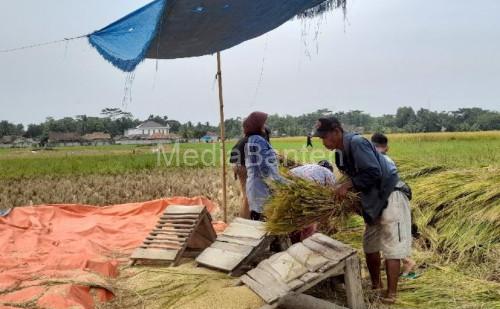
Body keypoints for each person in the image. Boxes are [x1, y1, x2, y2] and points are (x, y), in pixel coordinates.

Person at [314, 117, 412, 303]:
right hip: (372, 199)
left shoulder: (357, 142)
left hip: (390, 194)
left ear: (336, 131)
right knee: (370, 244)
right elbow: (351, 179)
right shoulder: (339, 154)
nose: (323, 141)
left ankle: (391, 294)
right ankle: (376, 286)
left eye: (324, 136)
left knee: (392, 245)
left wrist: (347, 186)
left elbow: (373, 172)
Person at [371, 133, 416, 279]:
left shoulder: (380, 160)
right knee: (388, 235)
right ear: (387, 148)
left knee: (392, 236)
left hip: (391, 199)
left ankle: (407, 263)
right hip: (384, 200)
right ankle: (397, 262)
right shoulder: (386, 159)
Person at [244, 112, 283, 221]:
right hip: (261, 186)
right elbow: (264, 168)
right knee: (263, 220)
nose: (264, 125)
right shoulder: (258, 140)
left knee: (257, 217)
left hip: (256, 186)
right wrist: (278, 183)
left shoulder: (252, 140)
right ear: (256, 125)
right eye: (262, 123)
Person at [288, 160, 336, 243]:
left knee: (294, 218)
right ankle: (305, 244)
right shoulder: (327, 172)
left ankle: (294, 241)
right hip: (302, 192)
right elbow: (333, 194)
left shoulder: (307, 167)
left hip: (285, 188)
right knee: (310, 220)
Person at [230, 127, 271, 219]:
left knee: (245, 194)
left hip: (237, 164)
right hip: (242, 166)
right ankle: (245, 221)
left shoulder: (248, 137)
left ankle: (247, 217)